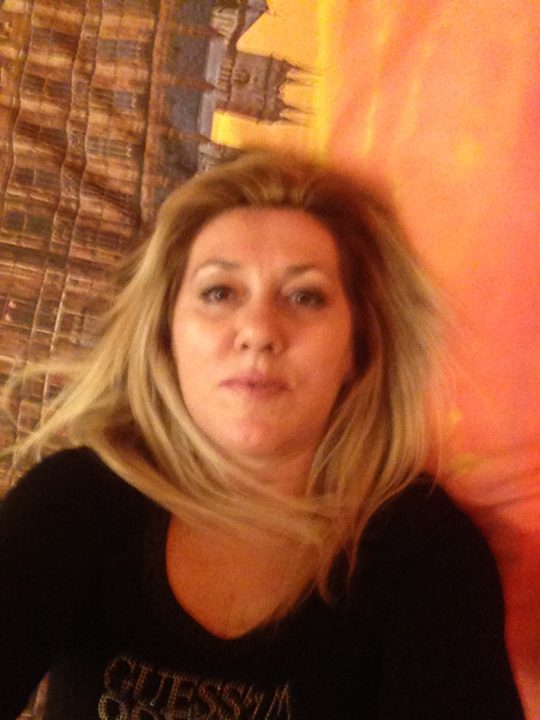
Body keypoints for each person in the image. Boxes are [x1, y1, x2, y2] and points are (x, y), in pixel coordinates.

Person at [0, 149, 524, 720]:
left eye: (304, 296)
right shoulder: (71, 503)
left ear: (357, 348)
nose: (258, 330)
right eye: (219, 292)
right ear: (166, 336)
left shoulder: (426, 555)